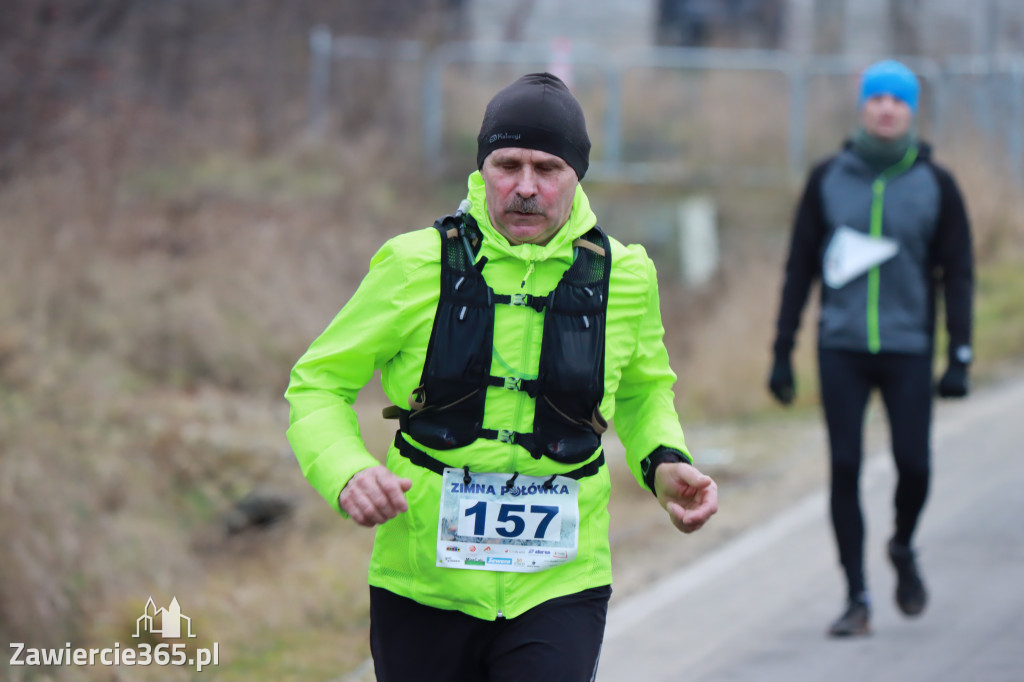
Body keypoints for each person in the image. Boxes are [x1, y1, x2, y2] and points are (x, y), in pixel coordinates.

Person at [286, 72, 718, 681]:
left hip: (561, 582)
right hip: (423, 583)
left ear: (577, 176)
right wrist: (347, 471)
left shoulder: (626, 275)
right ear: (481, 167)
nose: (525, 187)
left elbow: (645, 390)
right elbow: (318, 384)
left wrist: (664, 461)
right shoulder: (415, 264)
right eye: (506, 164)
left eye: (548, 168)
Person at [767, 60, 974, 637]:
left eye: (898, 100)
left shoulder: (936, 183)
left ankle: (902, 547)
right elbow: (799, 266)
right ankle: (856, 596)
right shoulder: (829, 177)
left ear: (911, 111)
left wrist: (961, 352)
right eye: (877, 98)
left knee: (915, 465)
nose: (887, 108)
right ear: (863, 106)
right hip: (843, 347)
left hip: (908, 346)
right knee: (845, 466)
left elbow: (957, 272)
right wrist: (783, 350)